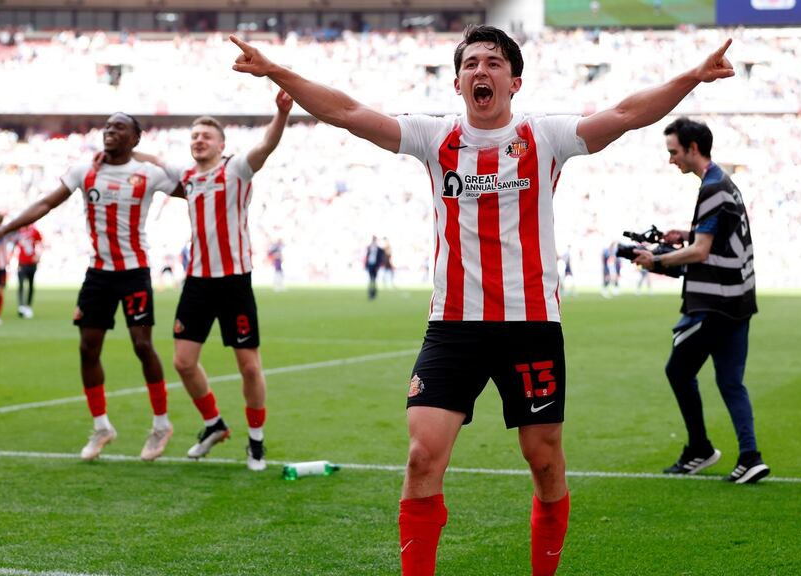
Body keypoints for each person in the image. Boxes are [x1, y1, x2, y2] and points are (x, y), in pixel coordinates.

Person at [230, 26, 734, 575]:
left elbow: (626, 113)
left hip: (531, 324)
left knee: (543, 461)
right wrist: (276, 70)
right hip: (454, 326)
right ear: (456, 82)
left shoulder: (546, 137)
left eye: (493, 62)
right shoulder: (433, 136)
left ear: (514, 81)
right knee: (422, 455)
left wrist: (692, 77)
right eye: (471, 63)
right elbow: (348, 112)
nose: (481, 71)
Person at [0, 112, 180, 462]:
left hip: (134, 271)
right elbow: (46, 203)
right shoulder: (85, 170)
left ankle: (161, 424)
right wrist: (6, 228)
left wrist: (152, 158)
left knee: (142, 346)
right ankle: (102, 426)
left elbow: (190, 189)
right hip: (98, 274)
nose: (109, 130)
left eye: (119, 127)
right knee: (88, 348)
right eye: (107, 126)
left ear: (135, 138)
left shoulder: (148, 174)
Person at [145, 91, 292, 471]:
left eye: (206, 136)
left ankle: (256, 441)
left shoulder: (236, 169)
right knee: (182, 361)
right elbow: (155, 161)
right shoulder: (188, 177)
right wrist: (124, 155)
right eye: (194, 135)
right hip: (197, 282)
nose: (198, 140)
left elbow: (267, 145)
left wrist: (281, 112)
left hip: (233, 283)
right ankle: (214, 424)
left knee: (249, 367)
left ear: (221, 145)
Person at [632, 117, 769, 484]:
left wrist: (655, 260)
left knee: (678, 370)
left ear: (693, 148)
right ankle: (750, 456)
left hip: (716, 304)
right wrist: (686, 234)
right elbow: (714, 236)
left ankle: (700, 449)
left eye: (674, 152)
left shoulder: (712, 188)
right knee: (730, 381)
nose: (671, 159)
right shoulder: (722, 183)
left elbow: (701, 252)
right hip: (739, 301)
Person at [15, 223, 44, 318]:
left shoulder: (34, 231)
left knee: (31, 284)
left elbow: (40, 244)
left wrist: (38, 256)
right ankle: (21, 306)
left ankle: (28, 306)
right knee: (21, 284)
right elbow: (13, 244)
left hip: (31, 263)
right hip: (21, 263)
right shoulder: (19, 231)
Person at [364, 235, 383, 300]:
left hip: (375, 266)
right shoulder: (369, 248)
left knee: (374, 280)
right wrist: (366, 265)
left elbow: (380, 258)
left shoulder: (379, 249)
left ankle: (374, 293)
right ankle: (370, 293)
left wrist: (378, 266)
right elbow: (367, 257)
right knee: (370, 279)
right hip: (370, 265)